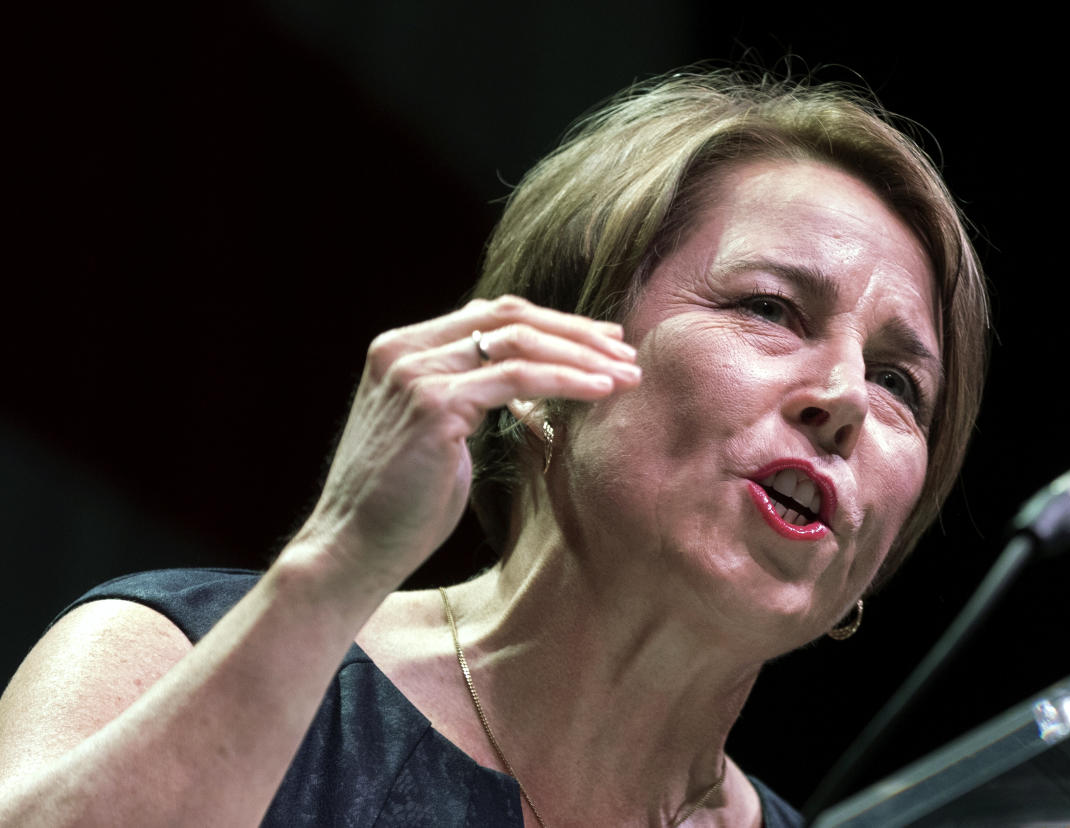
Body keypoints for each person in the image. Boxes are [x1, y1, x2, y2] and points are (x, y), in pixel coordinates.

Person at [0, 70, 988, 826]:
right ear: (547, 361)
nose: (844, 398)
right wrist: (338, 563)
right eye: (771, 308)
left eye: (902, 385)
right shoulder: (163, 655)